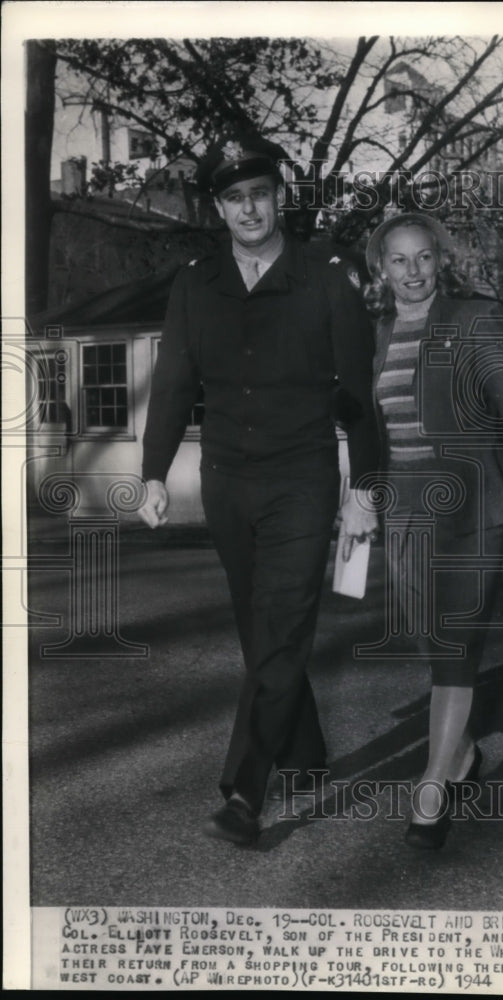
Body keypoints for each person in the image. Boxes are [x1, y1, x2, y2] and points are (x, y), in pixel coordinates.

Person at [138, 133, 379, 846]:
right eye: (234, 197)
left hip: (300, 477)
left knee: (282, 623)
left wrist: (364, 486)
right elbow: (176, 382)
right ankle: (304, 751)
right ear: (219, 208)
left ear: (280, 197)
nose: (249, 208)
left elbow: (358, 394)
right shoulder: (195, 283)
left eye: (261, 194)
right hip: (225, 480)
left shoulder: (326, 275)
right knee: (258, 626)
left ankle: (246, 788)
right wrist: (153, 471)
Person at [363, 212, 503, 849]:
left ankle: (432, 787)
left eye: (423, 258)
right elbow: (370, 430)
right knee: (428, 639)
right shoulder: (379, 333)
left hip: (474, 508)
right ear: (380, 267)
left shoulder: (476, 320)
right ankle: (463, 750)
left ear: (438, 261)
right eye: (399, 260)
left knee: (455, 644)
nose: (413, 272)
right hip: (407, 513)